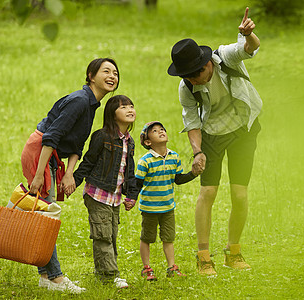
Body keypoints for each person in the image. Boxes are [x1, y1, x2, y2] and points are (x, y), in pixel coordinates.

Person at [167, 7, 262, 275]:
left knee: (239, 194)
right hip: (212, 135)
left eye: (194, 74)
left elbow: (250, 49)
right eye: (187, 77)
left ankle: (233, 252)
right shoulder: (186, 86)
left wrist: (249, 35)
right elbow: (192, 122)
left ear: (206, 64)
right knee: (207, 192)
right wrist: (197, 152)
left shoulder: (225, 57)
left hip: (244, 128)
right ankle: (203, 256)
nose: (192, 81)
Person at [20, 58, 120, 293]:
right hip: (41, 152)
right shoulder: (79, 101)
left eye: (115, 73)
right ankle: (55, 277)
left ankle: (45, 276)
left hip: (52, 156)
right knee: (47, 217)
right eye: (106, 71)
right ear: (90, 75)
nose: (112, 76)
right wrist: (37, 175)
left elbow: (78, 144)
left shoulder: (92, 104)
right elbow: (51, 136)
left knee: (45, 214)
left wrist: (69, 175)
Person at [73, 95, 139, 288]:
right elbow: (88, 161)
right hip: (98, 194)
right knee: (102, 234)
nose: (129, 109)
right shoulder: (102, 136)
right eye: (123, 107)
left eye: (131, 106)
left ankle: (104, 274)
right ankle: (111, 275)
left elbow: (130, 171)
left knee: (109, 235)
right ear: (112, 113)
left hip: (115, 197)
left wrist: (132, 195)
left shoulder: (129, 141)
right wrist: (73, 181)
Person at [136, 121, 198, 281]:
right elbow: (137, 184)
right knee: (147, 238)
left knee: (168, 238)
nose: (161, 131)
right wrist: (130, 199)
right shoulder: (145, 161)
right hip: (149, 208)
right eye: (155, 131)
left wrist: (193, 173)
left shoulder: (174, 157)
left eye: (162, 129)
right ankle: (146, 268)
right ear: (148, 142)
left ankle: (171, 267)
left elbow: (178, 179)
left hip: (168, 207)